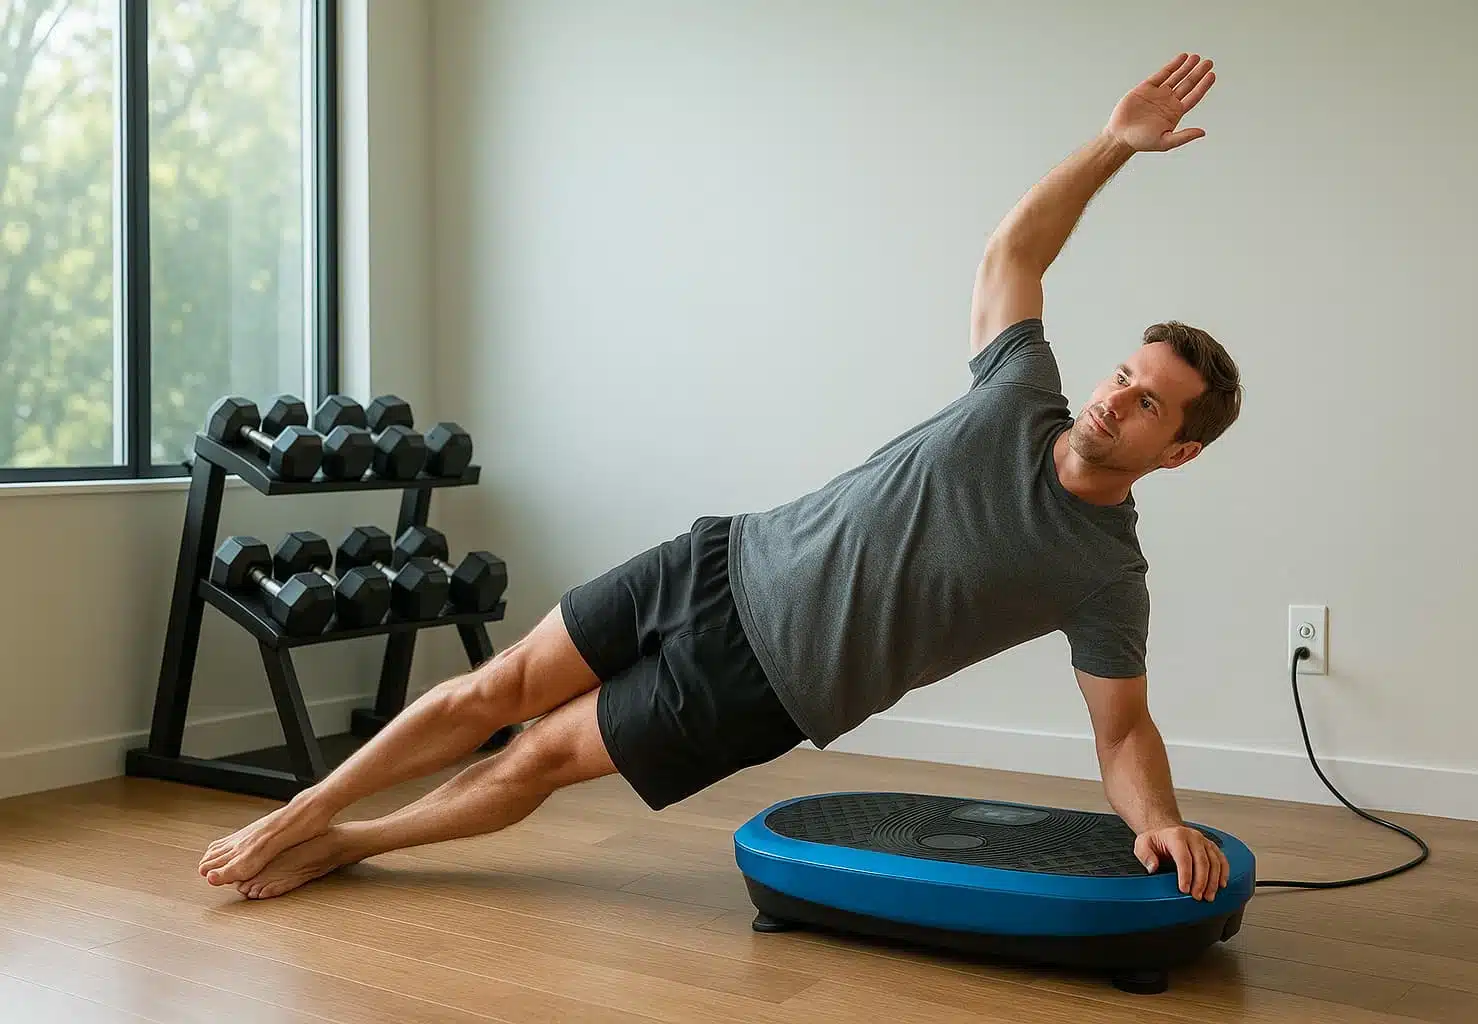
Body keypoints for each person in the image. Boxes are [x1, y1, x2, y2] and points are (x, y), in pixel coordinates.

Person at [200, 52, 1239, 903]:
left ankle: (356, 841)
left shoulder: (1104, 572)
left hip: (764, 684)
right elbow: (1017, 247)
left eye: (1149, 402)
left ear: (1177, 451)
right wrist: (1113, 144)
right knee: (491, 686)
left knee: (535, 759)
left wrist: (1159, 822)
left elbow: (1123, 727)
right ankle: (302, 810)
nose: (1115, 397)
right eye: (1123, 373)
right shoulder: (1021, 388)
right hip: (719, 557)